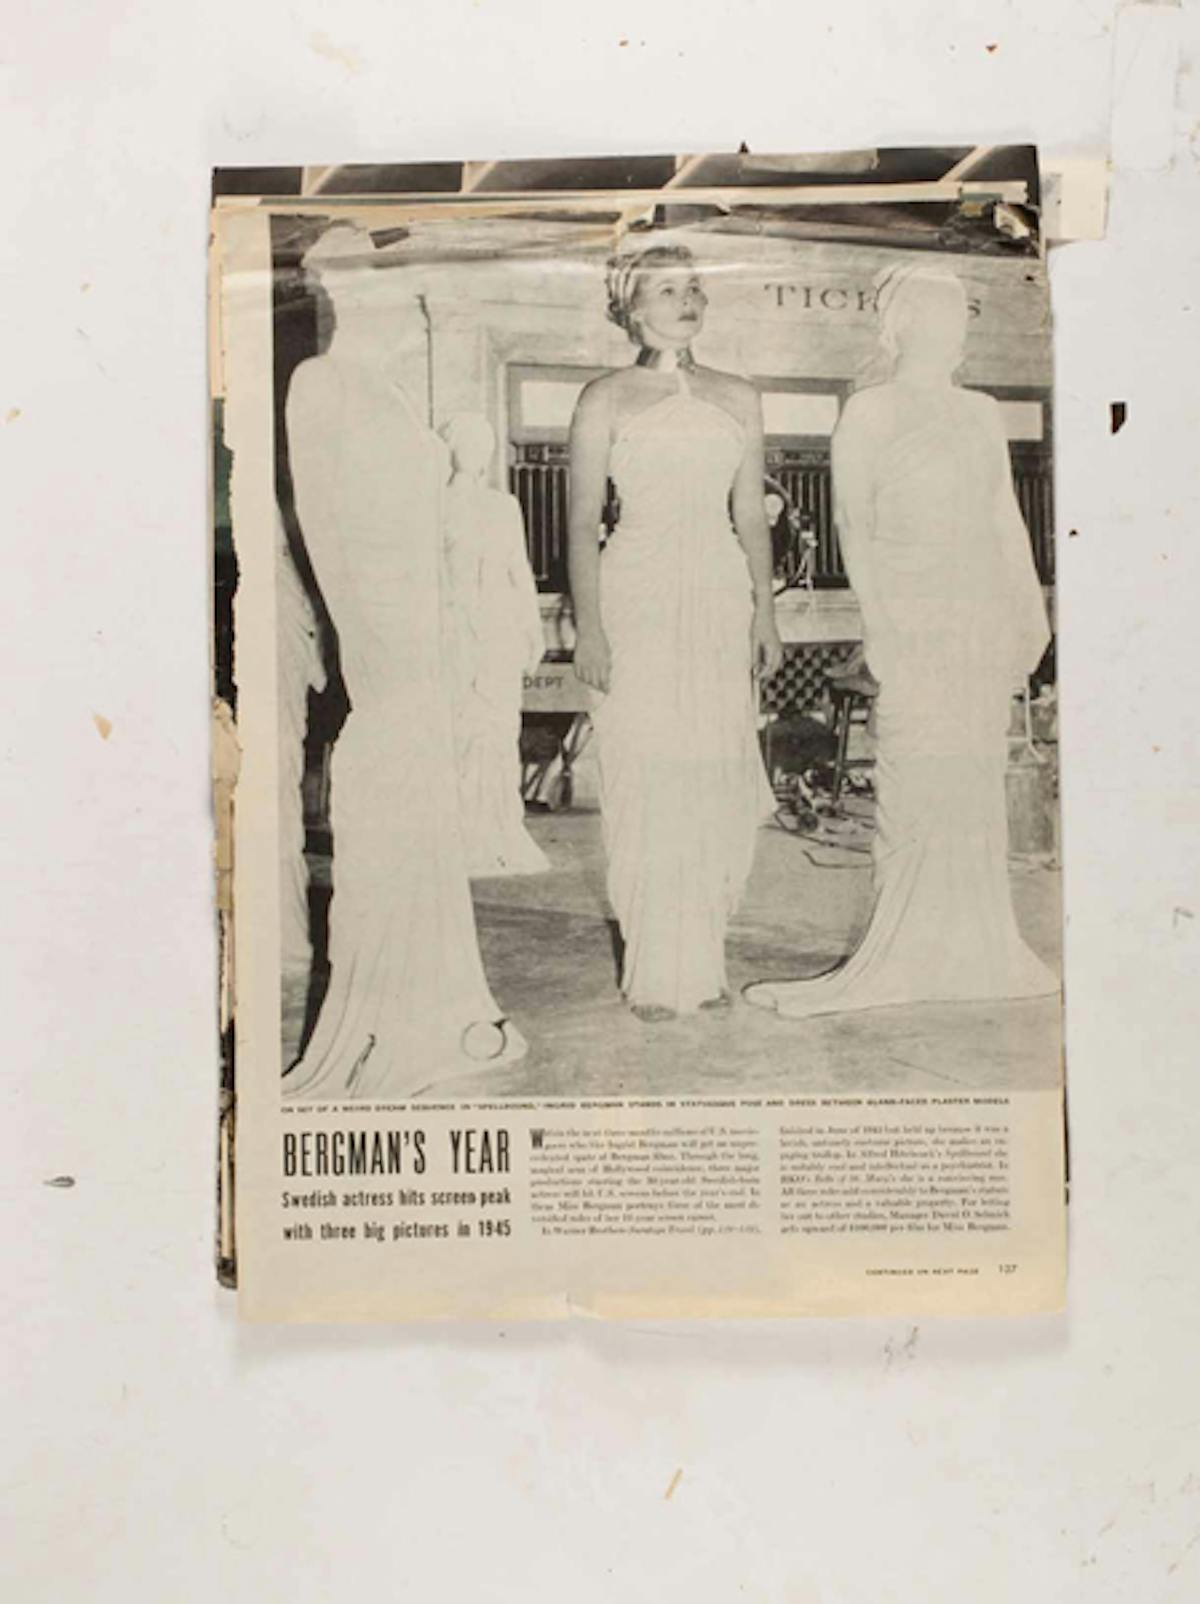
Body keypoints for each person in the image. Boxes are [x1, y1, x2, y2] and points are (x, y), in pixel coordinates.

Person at [744, 263, 1058, 1019]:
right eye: (930, 311)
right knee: (914, 785)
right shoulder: (871, 410)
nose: (946, 326)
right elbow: (853, 526)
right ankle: (906, 955)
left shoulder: (981, 412)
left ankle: (977, 951)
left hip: (976, 613)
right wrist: (881, 627)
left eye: (956, 313)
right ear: (900, 326)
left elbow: (1004, 517)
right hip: (912, 616)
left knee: (971, 783)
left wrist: (1032, 610)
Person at [282, 222, 525, 1099]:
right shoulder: (321, 383)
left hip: (424, 624)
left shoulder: (390, 395)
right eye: (380, 286)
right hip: (383, 631)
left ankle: (442, 1002)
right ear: (343, 292)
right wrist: (360, 640)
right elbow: (320, 524)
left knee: (425, 809)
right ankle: (385, 1015)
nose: (401, 309)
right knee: (389, 796)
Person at [568, 243, 783, 1021]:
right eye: (666, 290)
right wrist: (590, 630)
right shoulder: (604, 397)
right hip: (639, 594)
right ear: (630, 307)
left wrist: (765, 613)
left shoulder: (739, 396)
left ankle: (703, 962)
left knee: (713, 776)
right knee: (647, 773)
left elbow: (750, 514)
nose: (686, 301)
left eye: (694, 288)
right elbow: (581, 522)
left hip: (718, 594)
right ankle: (657, 970)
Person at [439, 413, 550, 878]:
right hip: (455, 629)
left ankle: (498, 828)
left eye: (482, 443)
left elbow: (519, 570)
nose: (475, 450)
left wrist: (533, 629)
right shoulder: (435, 505)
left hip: (498, 630)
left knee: (499, 729)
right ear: (450, 449)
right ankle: (459, 832)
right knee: (460, 728)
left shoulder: (504, 506)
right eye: (467, 441)